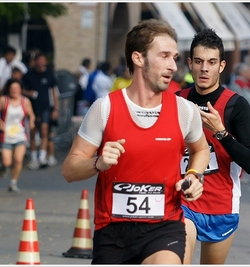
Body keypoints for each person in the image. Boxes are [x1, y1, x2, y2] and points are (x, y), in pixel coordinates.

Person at [61, 19, 210, 264]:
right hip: (112, 232)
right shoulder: (104, 109)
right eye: (164, 56)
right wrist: (98, 163)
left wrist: (194, 175)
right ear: (138, 58)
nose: (172, 65)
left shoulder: (185, 111)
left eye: (175, 58)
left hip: (165, 227)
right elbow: (69, 169)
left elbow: (201, 149)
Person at [177, 28, 250, 264]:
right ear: (190, 63)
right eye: (199, 61)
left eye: (211, 62)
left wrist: (221, 133)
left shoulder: (235, 105)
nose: (204, 69)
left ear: (221, 66)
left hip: (221, 204)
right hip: (182, 200)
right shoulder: (176, 100)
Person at [0, 79, 35, 192]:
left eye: (17, 88)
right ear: (9, 90)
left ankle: (13, 182)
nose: (15, 91)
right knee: (7, 162)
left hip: (20, 134)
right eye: (12, 89)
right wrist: (0, 121)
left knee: (18, 159)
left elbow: (31, 114)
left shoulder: (25, 101)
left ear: (20, 90)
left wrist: (31, 121)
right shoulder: (3, 100)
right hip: (6, 134)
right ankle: (4, 167)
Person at [22, 53, 59, 169]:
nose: (41, 62)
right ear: (35, 61)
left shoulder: (49, 74)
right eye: (39, 60)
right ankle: (34, 159)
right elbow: (22, 89)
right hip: (32, 107)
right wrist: (30, 93)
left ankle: (42, 157)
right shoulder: (29, 75)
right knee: (33, 132)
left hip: (46, 107)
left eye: (44, 60)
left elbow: (54, 92)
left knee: (44, 132)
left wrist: (56, 109)